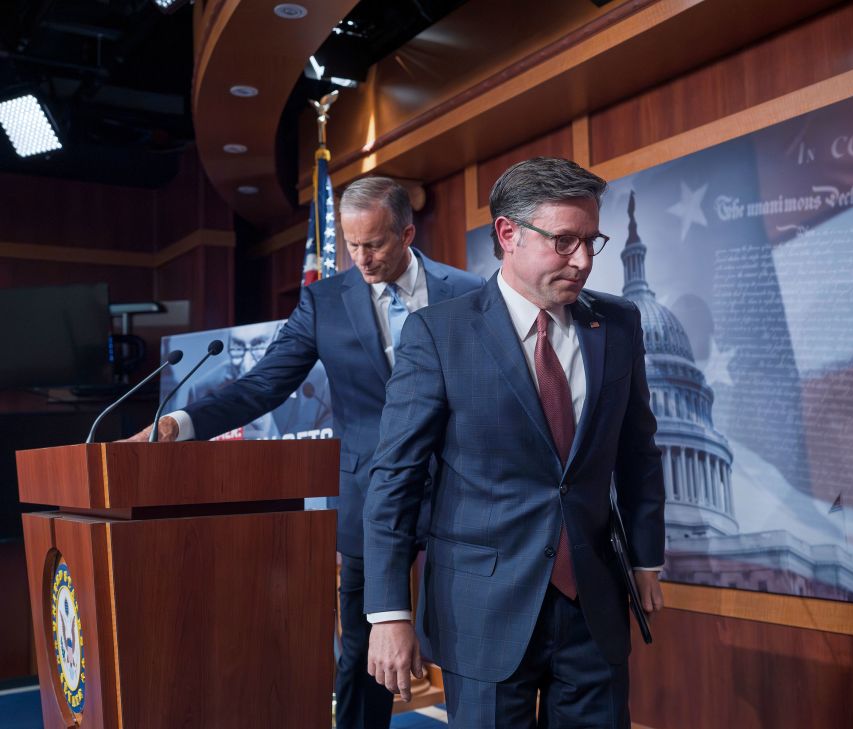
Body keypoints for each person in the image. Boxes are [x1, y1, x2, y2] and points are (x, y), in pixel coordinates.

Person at [125, 176, 484, 729]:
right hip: (369, 500)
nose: (360, 258)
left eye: (375, 244)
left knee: (469, 652)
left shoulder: (465, 290)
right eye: (351, 244)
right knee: (363, 659)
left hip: (460, 496)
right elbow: (263, 385)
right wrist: (179, 423)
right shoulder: (324, 301)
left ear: (407, 232)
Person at [363, 157, 666, 728]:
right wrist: (388, 614)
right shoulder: (438, 334)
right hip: (481, 611)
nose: (582, 260)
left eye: (591, 241)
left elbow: (638, 454)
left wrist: (648, 557)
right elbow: (395, 480)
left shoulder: (619, 325)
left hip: (593, 606)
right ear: (508, 234)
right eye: (565, 240)